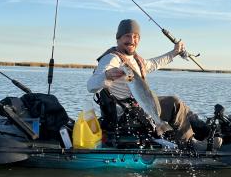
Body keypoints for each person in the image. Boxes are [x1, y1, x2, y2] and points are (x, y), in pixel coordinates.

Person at [87, 19, 220, 151]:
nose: (132, 40)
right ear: (118, 38)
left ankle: (205, 133)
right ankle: (190, 144)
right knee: (175, 104)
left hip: (141, 105)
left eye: (135, 37)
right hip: (126, 114)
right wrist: (106, 76)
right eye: (127, 36)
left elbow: (154, 63)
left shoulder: (135, 59)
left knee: (182, 107)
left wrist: (174, 52)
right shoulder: (112, 58)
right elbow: (91, 86)